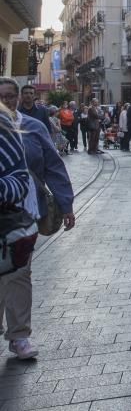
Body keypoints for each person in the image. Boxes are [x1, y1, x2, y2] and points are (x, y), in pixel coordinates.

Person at [0, 78, 75, 360]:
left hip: (25, 213)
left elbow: (53, 165)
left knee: (18, 272)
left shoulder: (33, 127)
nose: (6, 101)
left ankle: (19, 336)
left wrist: (66, 204)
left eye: (11, 96)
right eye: (1, 97)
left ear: (18, 98)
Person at [0, 99, 34, 360]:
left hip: (5, 223)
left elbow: (20, 179)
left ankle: (19, 334)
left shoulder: (3, 124)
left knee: (15, 277)